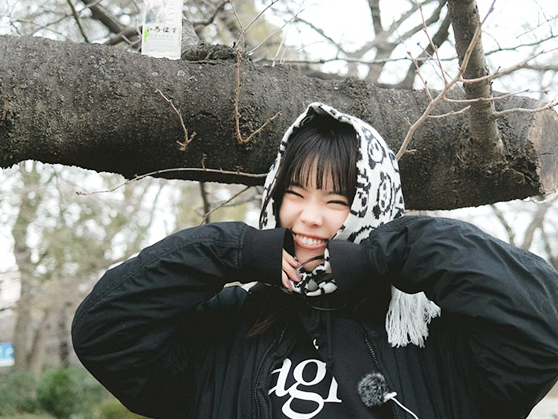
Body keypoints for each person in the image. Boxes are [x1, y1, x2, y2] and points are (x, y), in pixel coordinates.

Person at [72, 102, 558, 419]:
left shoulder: (431, 337)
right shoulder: (228, 326)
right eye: (295, 194)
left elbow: (543, 330)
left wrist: (390, 251)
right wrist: (234, 250)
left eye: (337, 201)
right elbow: (104, 331)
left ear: (373, 207)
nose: (309, 217)